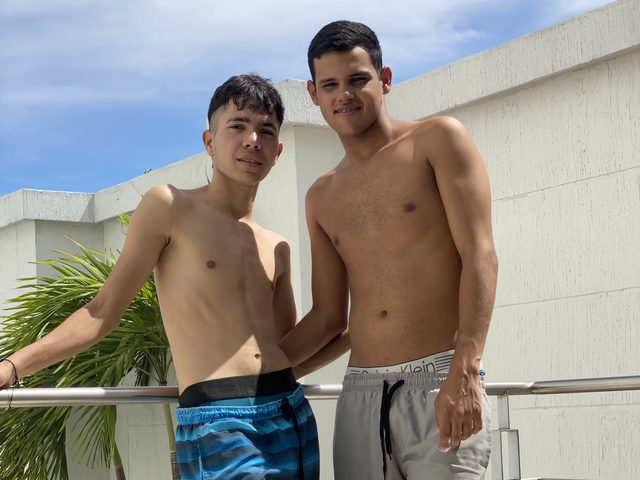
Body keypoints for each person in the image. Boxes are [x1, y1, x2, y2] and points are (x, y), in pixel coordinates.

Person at [0, 74, 320, 480]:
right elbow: (102, 311)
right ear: (209, 141)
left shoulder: (277, 246)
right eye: (238, 126)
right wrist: (13, 366)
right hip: (218, 418)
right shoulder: (170, 207)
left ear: (277, 152)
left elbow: (288, 350)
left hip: (289, 411)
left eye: (266, 131)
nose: (252, 140)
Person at [280, 21, 497, 479]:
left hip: (441, 378)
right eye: (330, 85)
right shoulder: (320, 196)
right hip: (360, 392)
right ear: (313, 94)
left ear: (385, 79)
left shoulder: (437, 140)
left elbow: (480, 256)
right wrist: (257, 371)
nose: (345, 95)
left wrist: (466, 371)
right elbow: (328, 316)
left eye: (358, 79)